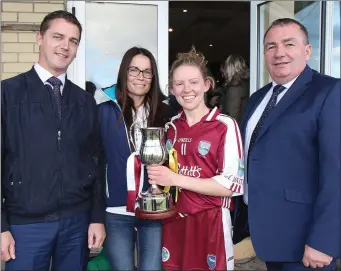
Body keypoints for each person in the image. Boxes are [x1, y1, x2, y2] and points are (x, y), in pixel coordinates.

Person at [1, 10, 106, 270]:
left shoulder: (84, 101)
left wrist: (96, 217)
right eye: (58, 36)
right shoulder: (8, 94)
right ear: (39, 37)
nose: (65, 46)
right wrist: (1, 226)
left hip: (76, 223)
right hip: (25, 225)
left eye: (73, 41)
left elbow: (96, 161)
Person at [241, 18, 340, 271]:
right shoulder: (256, 99)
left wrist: (324, 241)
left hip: (307, 243)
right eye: (271, 46)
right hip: (269, 237)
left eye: (289, 44)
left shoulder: (329, 92)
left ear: (307, 51)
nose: (279, 53)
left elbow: (336, 173)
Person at [146, 48, 244, 270]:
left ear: (207, 85)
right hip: (173, 222)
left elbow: (230, 186)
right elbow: (164, 180)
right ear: (171, 89)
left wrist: (175, 179)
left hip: (211, 223)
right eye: (179, 84)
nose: (187, 89)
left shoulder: (225, 125)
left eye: (193, 82)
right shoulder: (169, 127)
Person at [95, 47, 174, 270]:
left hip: (154, 209)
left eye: (147, 72)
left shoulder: (165, 113)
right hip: (116, 210)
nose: (141, 77)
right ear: (123, 72)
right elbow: (95, 162)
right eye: (134, 70)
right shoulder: (103, 110)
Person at [217, 54, 249, 124]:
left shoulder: (234, 89)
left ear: (229, 68)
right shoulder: (246, 85)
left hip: (234, 130)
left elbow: (231, 117)